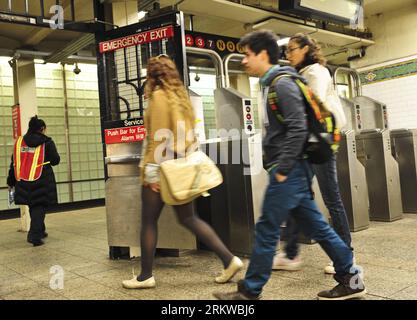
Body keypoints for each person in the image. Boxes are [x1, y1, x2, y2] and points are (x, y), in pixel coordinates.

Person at [213, 30, 365, 300]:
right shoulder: (272, 83)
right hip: (291, 167)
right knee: (318, 227)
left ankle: (251, 289)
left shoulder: (282, 84)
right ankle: (350, 276)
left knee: (268, 227)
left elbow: (298, 127)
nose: (244, 61)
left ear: (262, 55)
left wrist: (282, 168)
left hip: (291, 169)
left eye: (248, 55)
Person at [122, 55, 243, 289]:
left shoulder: (158, 97)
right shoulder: (180, 98)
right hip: (181, 167)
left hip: (162, 169)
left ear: (152, 75)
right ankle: (229, 260)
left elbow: (159, 139)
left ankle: (145, 276)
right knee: (188, 218)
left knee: (148, 221)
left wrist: (152, 175)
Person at [273, 33, 353, 275]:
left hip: (321, 140)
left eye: (293, 50)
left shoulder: (316, 71)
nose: (289, 55)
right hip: (310, 140)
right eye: (287, 51)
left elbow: (311, 105)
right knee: (298, 194)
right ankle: (290, 254)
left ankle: (346, 252)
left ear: (307, 49)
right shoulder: (305, 72)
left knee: (331, 197)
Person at [7, 116, 60, 247]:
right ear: (42, 129)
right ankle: (34, 236)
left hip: (23, 179)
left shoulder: (19, 142)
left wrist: (11, 180)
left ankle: (40, 230)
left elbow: (14, 162)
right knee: (39, 206)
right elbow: (55, 160)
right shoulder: (47, 142)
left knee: (33, 205)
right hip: (42, 179)